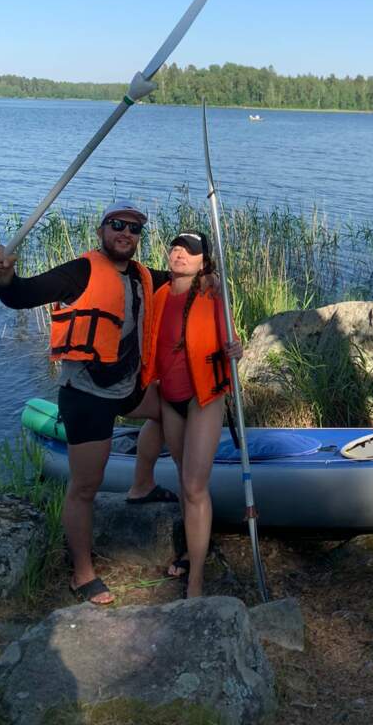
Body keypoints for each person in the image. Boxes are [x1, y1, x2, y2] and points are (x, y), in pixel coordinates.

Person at [0, 201, 214, 605]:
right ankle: (82, 573)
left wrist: (210, 278)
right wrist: (4, 278)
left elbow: (184, 278)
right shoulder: (81, 271)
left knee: (167, 407)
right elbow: (23, 295)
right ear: (101, 231)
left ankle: (141, 486)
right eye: (117, 225)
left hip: (130, 388)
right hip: (88, 396)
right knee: (85, 486)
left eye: (134, 229)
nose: (126, 233)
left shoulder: (144, 276)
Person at [142, 230, 241, 598]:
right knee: (185, 481)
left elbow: (231, 338)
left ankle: (196, 578)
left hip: (204, 399)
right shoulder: (160, 292)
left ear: (204, 262)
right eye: (176, 248)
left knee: (195, 486)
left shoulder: (213, 293)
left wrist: (237, 348)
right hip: (170, 399)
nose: (180, 254)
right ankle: (191, 547)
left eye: (191, 251)